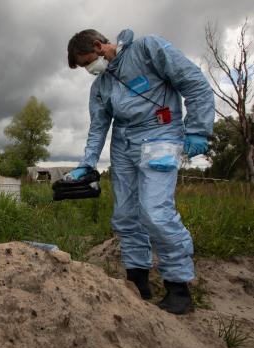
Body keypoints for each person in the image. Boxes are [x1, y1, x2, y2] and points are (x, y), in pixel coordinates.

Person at [66, 29, 214, 314]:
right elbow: (99, 127)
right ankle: (137, 280)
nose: (88, 70)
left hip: (161, 135)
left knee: (155, 211)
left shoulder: (147, 49)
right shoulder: (100, 86)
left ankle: (178, 286)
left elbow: (193, 82)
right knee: (125, 215)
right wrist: (87, 163)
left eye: (87, 62)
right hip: (124, 145)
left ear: (99, 46)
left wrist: (198, 129)